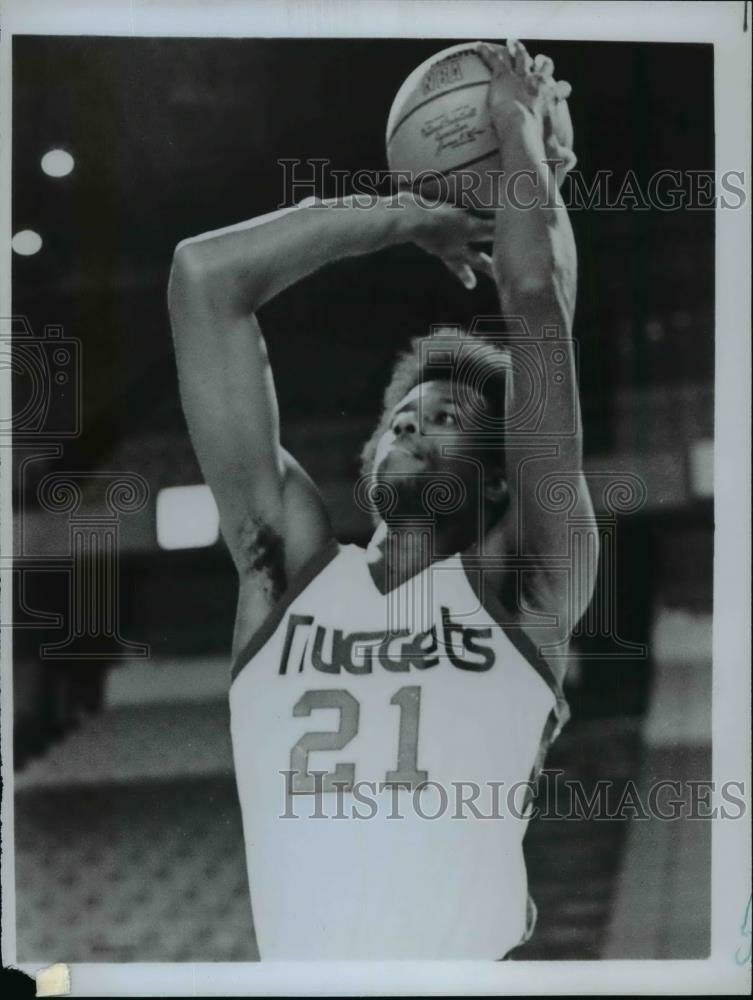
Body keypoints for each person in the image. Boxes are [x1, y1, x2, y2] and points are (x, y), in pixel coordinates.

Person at [168, 39, 597, 960]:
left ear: (494, 473)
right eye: (401, 417)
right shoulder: (281, 570)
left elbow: (533, 297)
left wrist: (515, 130)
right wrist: (407, 218)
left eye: (442, 417)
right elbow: (205, 280)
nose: (408, 427)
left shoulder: (523, 582)